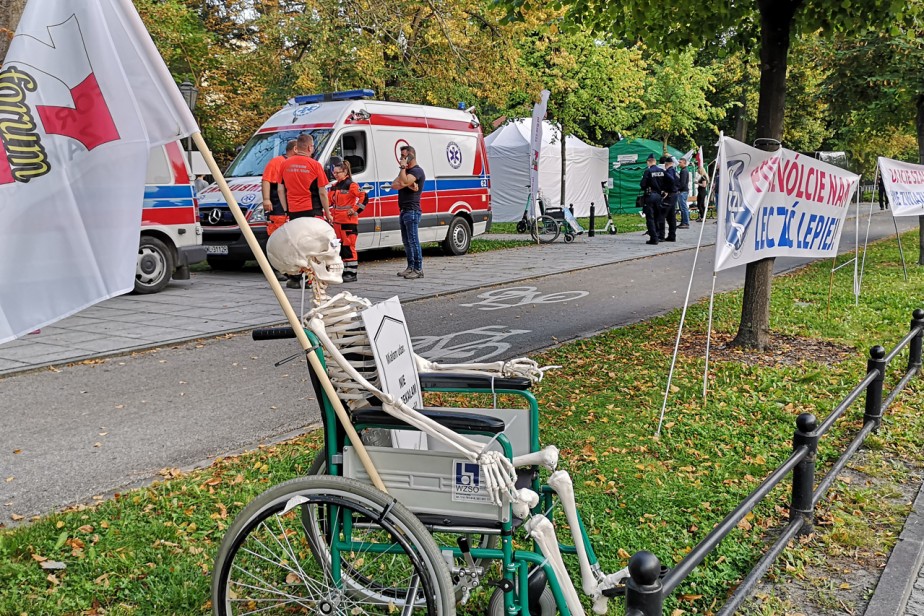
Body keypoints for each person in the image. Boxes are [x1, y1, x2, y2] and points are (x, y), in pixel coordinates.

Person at [279, 133, 332, 288]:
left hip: (294, 211)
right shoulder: (314, 165)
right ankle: (311, 279)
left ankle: (295, 278)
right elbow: (322, 192)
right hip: (312, 210)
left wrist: (286, 209)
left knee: (296, 244)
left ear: (296, 147)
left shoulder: (285, 164)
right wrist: (327, 213)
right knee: (313, 245)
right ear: (309, 147)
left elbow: (281, 189)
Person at [328, 160, 367, 282]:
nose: (335, 175)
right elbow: (329, 201)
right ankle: (342, 271)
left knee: (348, 246)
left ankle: (351, 273)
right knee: (338, 247)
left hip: (348, 221)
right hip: (337, 221)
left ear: (345, 172)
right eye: (334, 173)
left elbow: (364, 197)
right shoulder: (335, 186)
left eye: (337, 173)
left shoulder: (351, 185)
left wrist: (355, 210)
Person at [391, 144, 426, 279]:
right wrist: (406, 182)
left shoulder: (417, 171)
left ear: (411, 156)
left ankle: (418, 269)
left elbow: (403, 181)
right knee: (406, 241)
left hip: (412, 210)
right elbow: (394, 184)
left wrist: (403, 172)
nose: (401, 159)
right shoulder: (405, 172)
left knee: (413, 241)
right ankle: (410, 266)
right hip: (404, 210)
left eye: (404, 156)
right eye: (401, 156)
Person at [262, 139, 296, 237]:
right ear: (295, 149)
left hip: (291, 205)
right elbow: (266, 180)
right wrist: (266, 199)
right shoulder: (277, 161)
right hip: (278, 206)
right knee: (278, 234)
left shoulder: (295, 162)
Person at [639, 153, 671, 245]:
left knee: (650, 218)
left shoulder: (648, 171)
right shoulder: (662, 171)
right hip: (659, 196)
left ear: (648, 162)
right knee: (659, 217)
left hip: (650, 196)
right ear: (655, 162)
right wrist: (665, 190)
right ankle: (659, 234)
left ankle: (654, 238)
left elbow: (642, 185)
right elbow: (670, 181)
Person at [660, 156, 679, 242]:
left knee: (662, 215)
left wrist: (666, 190)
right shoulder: (675, 171)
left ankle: (661, 235)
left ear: (666, 164)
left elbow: (670, 179)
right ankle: (672, 235)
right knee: (671, 217)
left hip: (669, 195)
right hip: (674, 194)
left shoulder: (669, 171)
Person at [676, 157, 691, 228]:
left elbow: (683, 182)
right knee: (682, 207)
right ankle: (683, 222)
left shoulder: (684, 171)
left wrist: (677, 189)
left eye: (680, 162)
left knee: (683, 207)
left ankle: (685, 222)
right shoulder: (683, 170)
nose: (679, 163)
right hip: (683, 191)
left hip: (683, 191)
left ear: (684, 163)